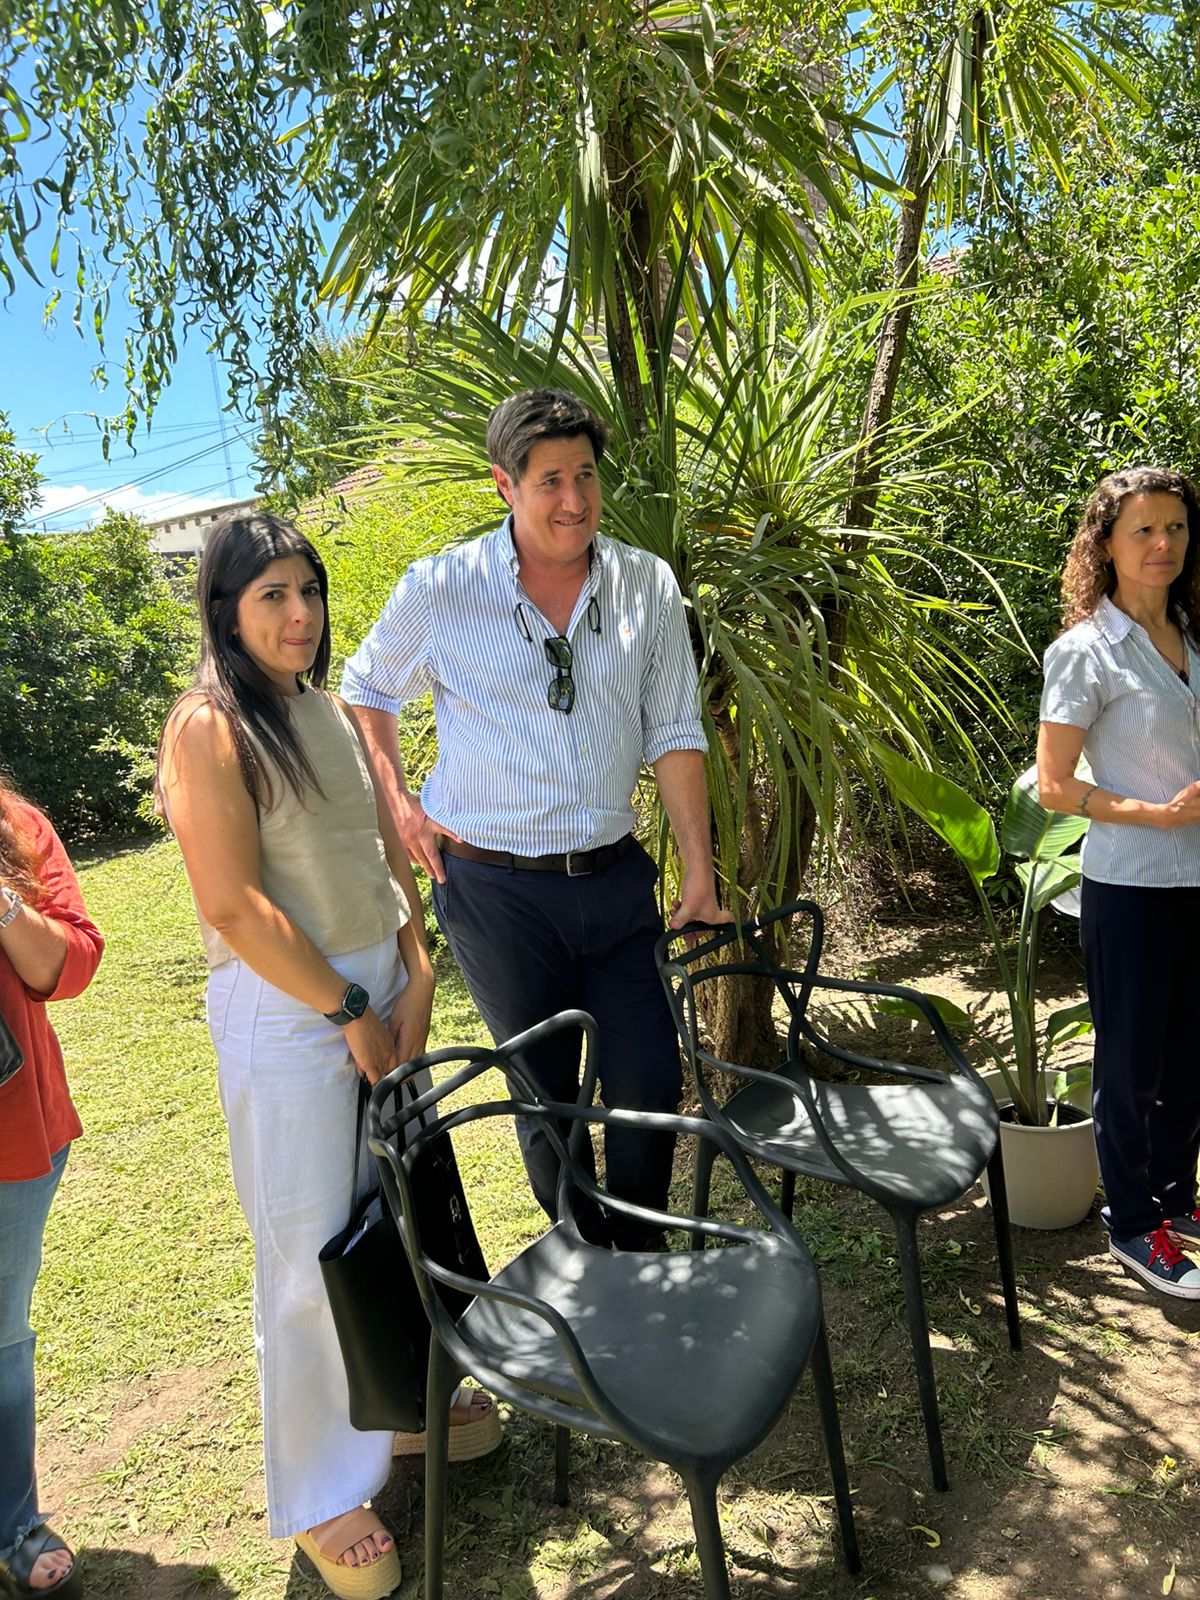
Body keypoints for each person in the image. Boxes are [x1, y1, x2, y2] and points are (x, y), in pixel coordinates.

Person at [157, 513, 498, 1600]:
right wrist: (349, 1007)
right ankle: (320, 1494)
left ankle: (400, 1408)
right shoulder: (209, 726)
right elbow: (233, 903)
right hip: (291, 1011)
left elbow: (378, 853)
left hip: (380, 993)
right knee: (308, 1254)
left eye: (308, 589)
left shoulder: (327, 710)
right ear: (226, 610)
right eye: (272, 594)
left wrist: (417, 969)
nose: (299, 612)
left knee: (393, 1218)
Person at [342, 387, 730, 1250]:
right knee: (547, 1101)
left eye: (585, 475)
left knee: (649, 1084)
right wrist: (400, 802)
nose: (574, 500)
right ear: (504, 485)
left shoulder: (646, 584)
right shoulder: (443, 587)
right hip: (495, 893)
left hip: (615, 878)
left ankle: (640, 1251)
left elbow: (675, 729)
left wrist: (699, 873)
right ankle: (584, 1259)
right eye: (550, 479)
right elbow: (366, 686)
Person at [1038, 465, 1200, 1300]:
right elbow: (1053, 786)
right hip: (1132, 885)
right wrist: (1155, 814)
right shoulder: (1085, 652)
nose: (1162, 543)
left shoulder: (1192, 637)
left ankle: (1176, 1199)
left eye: (1175, 527)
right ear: (1105, 544)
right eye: (1143, 529)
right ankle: (1134, 1225)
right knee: (1131, 1066)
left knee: (1190, 1060)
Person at [0, 779, 103, 1600]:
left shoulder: (14, 825)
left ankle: (12, 1523)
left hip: (10, 1134)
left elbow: (72, 963)